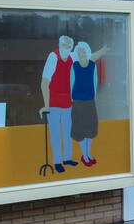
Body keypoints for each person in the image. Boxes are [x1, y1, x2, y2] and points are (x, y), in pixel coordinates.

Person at [39, 35, 107, 173]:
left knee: (67, 132)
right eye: (64, 45)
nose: (66, 48)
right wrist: (46, 104)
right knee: (56, 134)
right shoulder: (53, 57)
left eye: (69, 46)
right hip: (53, 103)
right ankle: (57, 161)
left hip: (68, 103)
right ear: (60, 44)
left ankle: (67, 158)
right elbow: (45, 82)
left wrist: (103, 50)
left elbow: (89, 57)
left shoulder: (72, 57)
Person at [70, 41, 99, 166]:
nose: (81, 53)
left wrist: (94, 97)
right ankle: (85, 156)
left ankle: (89, 153)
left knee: (90, 129)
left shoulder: (93, 65)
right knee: (80, 129)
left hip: (90, 101)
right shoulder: (74, 66)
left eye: (83, 51)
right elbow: (71, 82)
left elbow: (95, 81)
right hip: (77, 101)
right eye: (79, 51)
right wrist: (72, 98)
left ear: (87, 52)